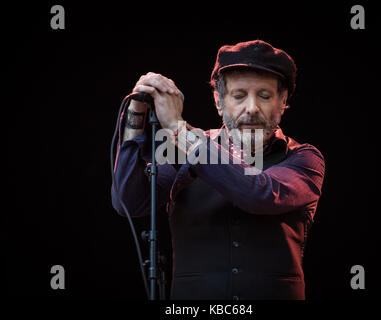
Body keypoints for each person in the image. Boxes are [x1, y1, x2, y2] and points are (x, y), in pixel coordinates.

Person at [111, 40, 325, 300]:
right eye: (238, 95)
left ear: (283, 101)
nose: (252, 108)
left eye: (265, 96)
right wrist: (135, 116)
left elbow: (259, 193)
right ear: (218, 101)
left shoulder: (304, 158)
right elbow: (130, 203)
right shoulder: (181, 149)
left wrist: (179, 130)